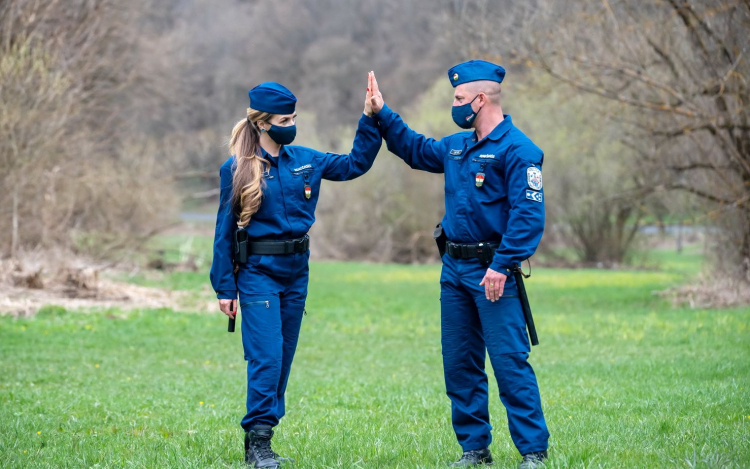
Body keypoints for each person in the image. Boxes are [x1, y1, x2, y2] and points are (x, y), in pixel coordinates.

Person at [366, 62, 550, 468]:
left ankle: (533, 451)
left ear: (480, 100)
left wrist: (501, 266)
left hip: (493, 272)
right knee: (460, 365)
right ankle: (475, 449)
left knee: (508, 363)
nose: (455, 105)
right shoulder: (457, 147)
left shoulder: (518, 150)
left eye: (459, 99)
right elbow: (414, 148)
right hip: (454, 272)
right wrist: (381, 112)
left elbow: (528, 217)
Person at [210, 75, 381, 468]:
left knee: (282, 358)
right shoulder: (236, 168)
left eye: (293, 119)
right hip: (257, 273)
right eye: (284, 121)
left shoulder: (307, 160)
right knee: (266, 357)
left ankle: (265, 435)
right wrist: (224, 287)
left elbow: (354, 165)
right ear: (261, 123)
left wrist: (369, 119)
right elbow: (222, 231)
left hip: (296, 273)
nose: (291, 126)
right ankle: (257, 444)